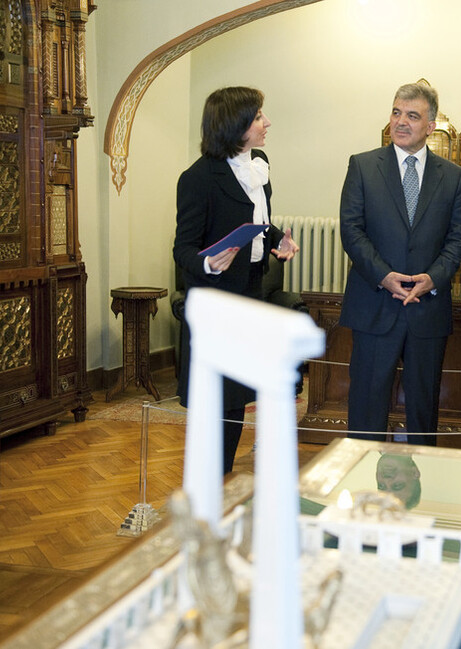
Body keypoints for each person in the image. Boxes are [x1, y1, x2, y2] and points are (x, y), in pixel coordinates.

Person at [174, 86, 299, 474]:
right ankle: (208, 487)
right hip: (217, 301)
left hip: (250, 294)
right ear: (235, 125)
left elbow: (259, 220)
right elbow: (183, 248)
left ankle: (224, 478)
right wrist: (209, 263)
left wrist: (279, 239)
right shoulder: (198, 178)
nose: (267, 123)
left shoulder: (258, 162)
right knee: (216, 402)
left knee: (237, 399)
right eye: (259, 117)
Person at [339, 83, 461, 446]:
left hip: (427, 309)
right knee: (366, 406)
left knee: (423, 411)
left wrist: (434, 277)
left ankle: (421, 488)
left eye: (412, 115)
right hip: (375, 304)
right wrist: (384, 275)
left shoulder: (452, 175)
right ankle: (360, 486)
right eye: (397, 112)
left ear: (431, 125)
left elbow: (458, 237)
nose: (401, 121)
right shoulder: (363, 166)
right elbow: (352, 230)